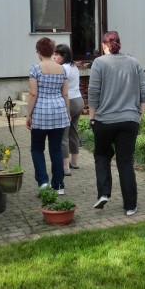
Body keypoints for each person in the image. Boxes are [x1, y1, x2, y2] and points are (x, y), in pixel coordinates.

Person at [88, 31, 145, 216]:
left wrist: (92, 117)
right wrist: (139, 114)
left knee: (102, 156)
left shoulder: (99, 63)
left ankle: (103, 193)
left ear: (104, 45)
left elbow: (93, 92)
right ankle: (130, 206)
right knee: (125, 162)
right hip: (130, 120)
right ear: (119, 44)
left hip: (104, 121)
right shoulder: (134, 62)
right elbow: (144, 89)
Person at [26, 37, 70, 195]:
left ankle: (43, 183)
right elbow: (65, 94)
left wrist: (28, 115)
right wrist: (68, 113)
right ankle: (58, 186)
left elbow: (33, 94)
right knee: (56, 149)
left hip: (40, 113)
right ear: (52, 52)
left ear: (39, 52)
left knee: (37, 149)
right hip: (59, 112)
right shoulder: (62, 69)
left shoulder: (35, 69)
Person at [53, 44, 84, 175]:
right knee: (73, 132)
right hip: (79, 101)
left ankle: (65, 168)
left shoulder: (62, 69)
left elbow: (58, 87)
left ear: (64, 56)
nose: (54, 57)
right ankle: (74, 162)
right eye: (54, 54)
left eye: (57, 55)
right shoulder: (73, 66)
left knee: (63, 135)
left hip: (69, 102)